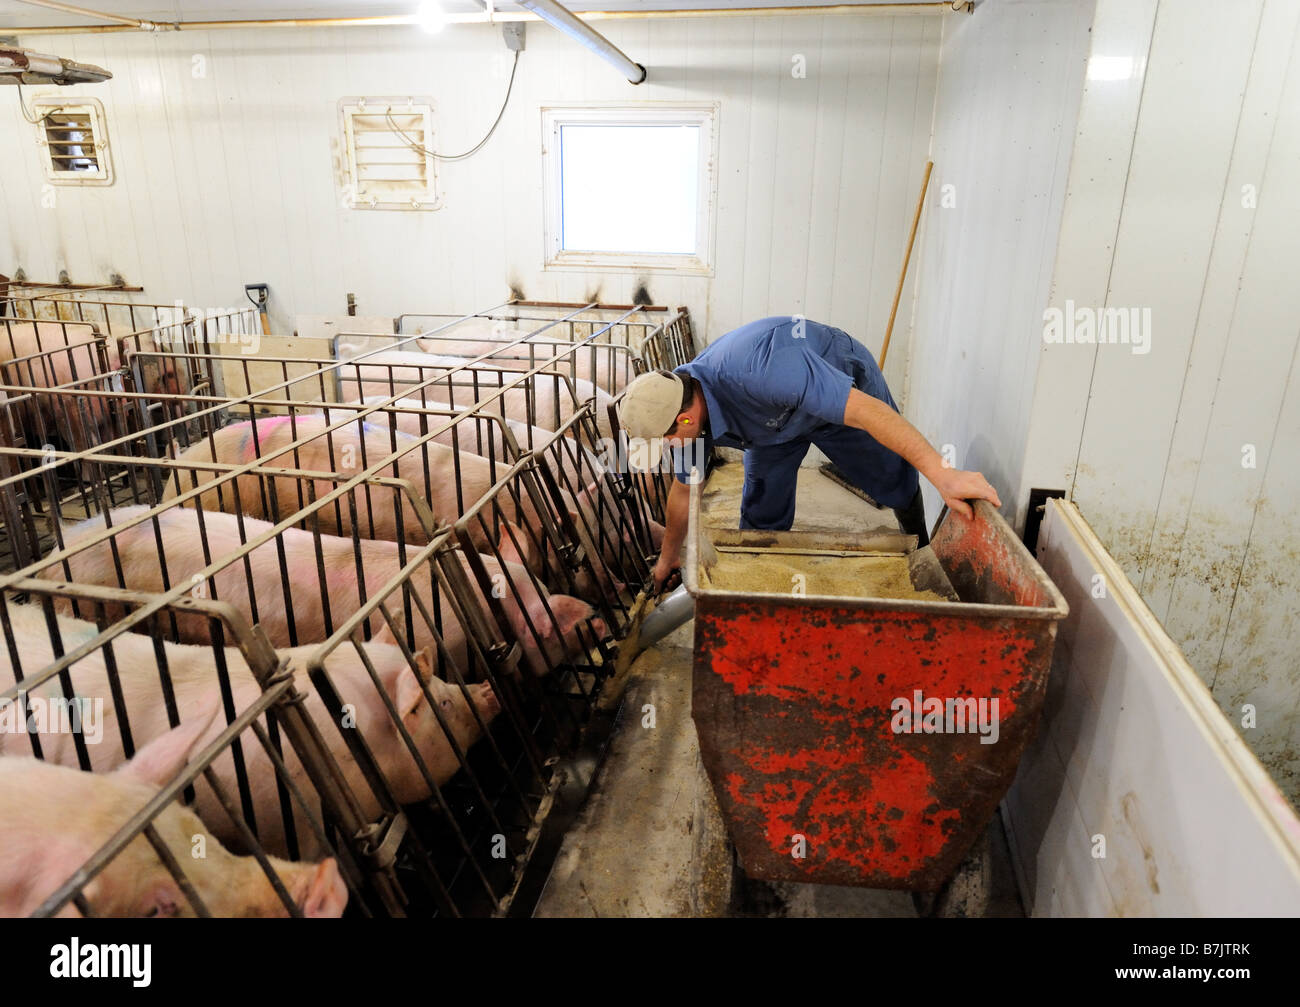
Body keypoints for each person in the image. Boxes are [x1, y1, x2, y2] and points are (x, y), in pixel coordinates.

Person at [617, 315, 1002, 591]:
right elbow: (685, 491)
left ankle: (920, 547)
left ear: (684, 419)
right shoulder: (678, 406)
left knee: (892, 480)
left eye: (666, 439)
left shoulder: (760, 370)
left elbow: (870, 413)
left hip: (835, 386)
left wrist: (943, 473)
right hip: (770, 428)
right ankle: (762, 592)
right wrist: (668, 558)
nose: (668, 446)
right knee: (761, 517)